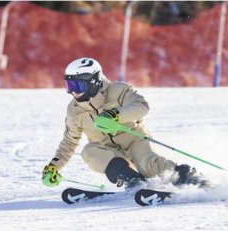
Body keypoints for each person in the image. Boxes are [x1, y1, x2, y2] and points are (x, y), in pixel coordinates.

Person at [41, 57, 207, 189]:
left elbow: (142, 106)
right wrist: (54, 166)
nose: (73, 92)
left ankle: (192, 179)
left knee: (149, 167)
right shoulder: (74, 110)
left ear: (93, 82)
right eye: (69, 85)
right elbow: (70, 141)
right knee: (89, 151)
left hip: (135, 141)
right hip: (109, 151)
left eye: (77, 85)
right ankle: (132, 181)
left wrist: (116, 115)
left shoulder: (119, 90)